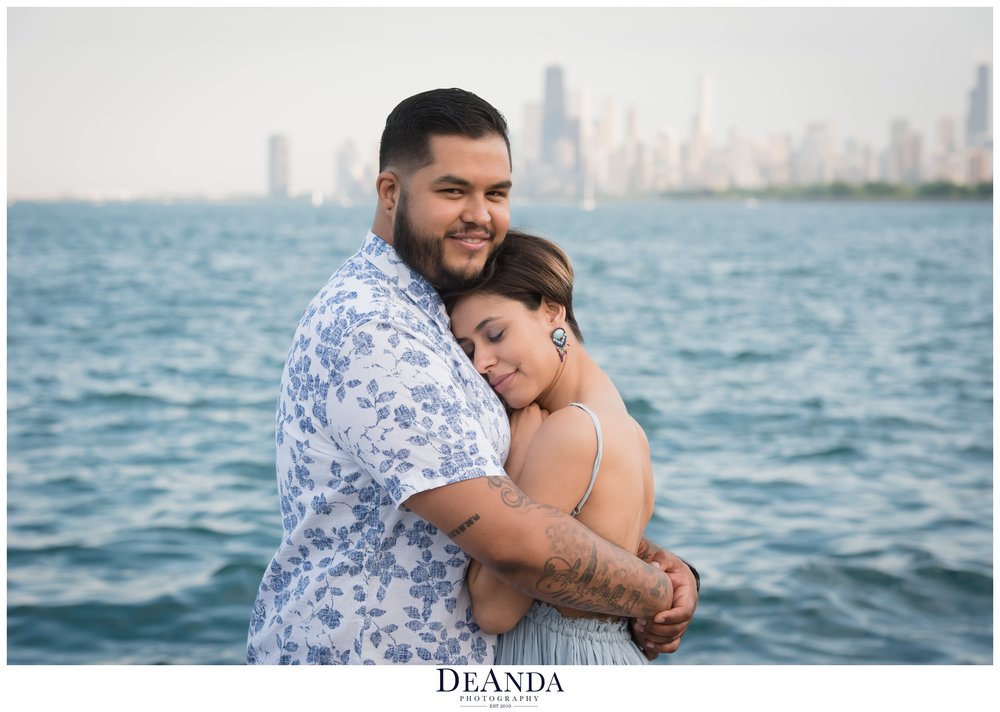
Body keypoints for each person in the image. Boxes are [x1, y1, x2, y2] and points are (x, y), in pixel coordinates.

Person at [246, 88, 697, 665]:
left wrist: (658, 563)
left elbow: (542, 504)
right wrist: (660, 593)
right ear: (391, 193)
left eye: (497, 193)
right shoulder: (375, 330)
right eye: (453, 190)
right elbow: (517, 546)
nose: (481, 214)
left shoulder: (436, 308)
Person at [444, 230, 662, 664]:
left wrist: (522, 449)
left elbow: (493, 610)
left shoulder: (567, 432)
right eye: (467, 349)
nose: (481, 363)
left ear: (551, 311)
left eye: (496, 334)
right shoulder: (630, 431)